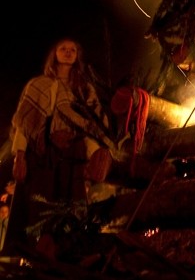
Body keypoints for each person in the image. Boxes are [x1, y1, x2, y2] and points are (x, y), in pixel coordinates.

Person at [5, 38, 115, 257]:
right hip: (42, 156)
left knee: (71, 211)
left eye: (72, 50)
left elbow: (92, 125)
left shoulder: (83, 89)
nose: (68, 52)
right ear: (53, 54)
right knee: (39, 210)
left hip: (72, 158)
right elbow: (24, 124)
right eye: (63, 49)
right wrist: (19, 155)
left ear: (77, 56)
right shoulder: (37, 85)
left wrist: (94, 154)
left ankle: (68, 258)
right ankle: (34, 258)